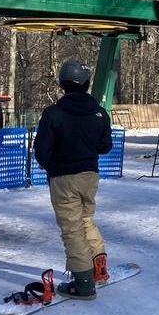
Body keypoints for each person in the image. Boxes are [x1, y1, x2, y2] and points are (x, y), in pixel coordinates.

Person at [34, 60, 113, 301]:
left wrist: (52, 164)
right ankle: (98, 266)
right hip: (90, 175)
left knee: (72, 229)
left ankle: (83, 283)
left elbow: (42, 150)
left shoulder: (54, 113)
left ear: (63, 84)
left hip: (63, 177)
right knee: (86, 219)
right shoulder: (100, 113)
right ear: (87, 84)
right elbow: (105, 146)